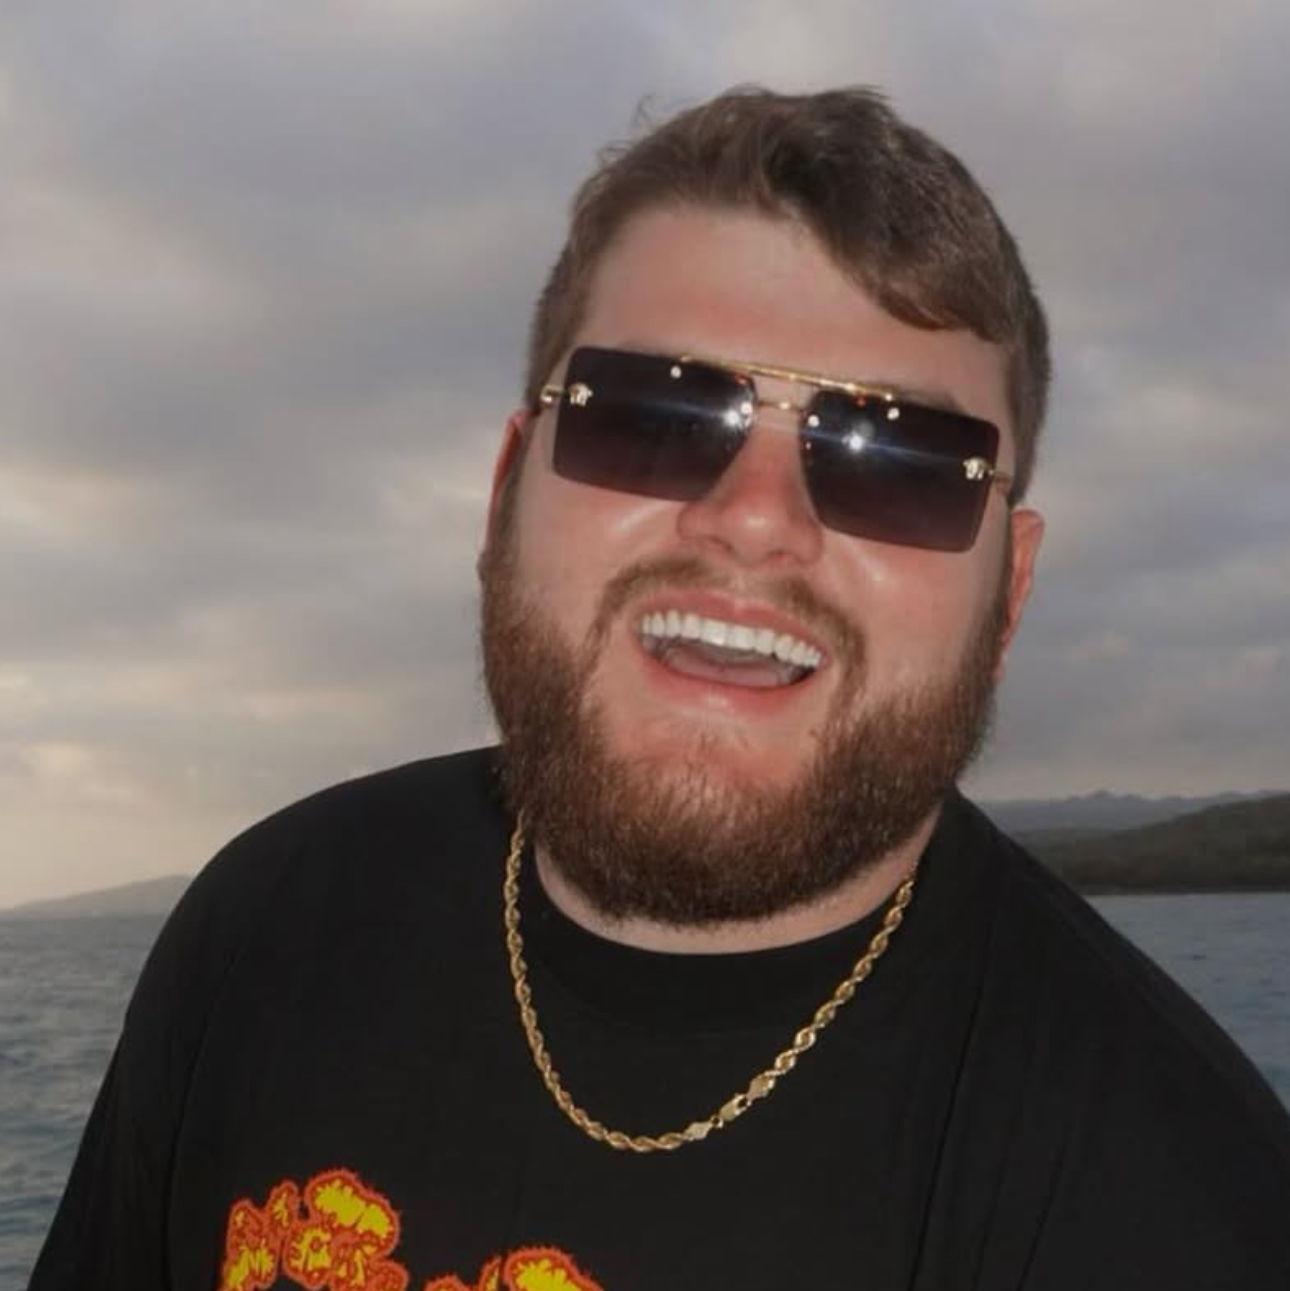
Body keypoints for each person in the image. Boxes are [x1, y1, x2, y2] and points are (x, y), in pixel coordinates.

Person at [32, 86, 1290, 1291]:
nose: (755, 517)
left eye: (900, 458)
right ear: (506, 495)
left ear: (1007, 593)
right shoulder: (265, 930)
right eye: (653, 415)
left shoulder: (1176, 1204)